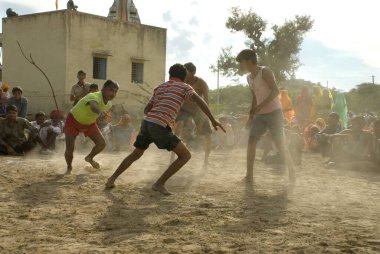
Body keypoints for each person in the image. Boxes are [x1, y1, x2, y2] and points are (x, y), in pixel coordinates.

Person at [105, 64, 225, 195]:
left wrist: (164, 110)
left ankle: (111, 179)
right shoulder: (185, 87)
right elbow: (199, 100)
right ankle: (159, 183)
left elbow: (146, 110)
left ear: (169, 75)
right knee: (185, 155)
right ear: (184, 77)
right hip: (159, 125)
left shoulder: (160, 87)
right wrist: (212, 119)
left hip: (146, 123)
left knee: (136, 154)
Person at [236, 49, 295, 183]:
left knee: (279, 144)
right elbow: (255, 96)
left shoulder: (265, 71)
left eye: (241, 62)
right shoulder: (248, 78)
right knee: (251, 142)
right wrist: (251, 115)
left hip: (274, 112)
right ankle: (249, 176)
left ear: (249, 61)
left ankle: (292, 172)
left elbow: (275, 91)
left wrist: (260, 106)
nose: (240, 66)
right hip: (260, 115)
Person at [64, 80, 119, 174]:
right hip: (73, 120)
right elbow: (93, 106)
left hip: (90, 123)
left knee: (101, 144)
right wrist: (100, 112)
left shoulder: (109, 103)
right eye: (111, 90)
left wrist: (105, 118)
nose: (113, 93)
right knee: (70, 149)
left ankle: (89, 158)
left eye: (115, 91)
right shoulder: (94, 96)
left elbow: (102, 115)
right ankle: (69, 168)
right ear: (103, 89)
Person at [172, 62, 213, 167]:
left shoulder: (202, 83)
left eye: (187, 72)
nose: (184, 74)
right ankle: (172, 155)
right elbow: (177, 97)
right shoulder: (182, 81)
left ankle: (206, 160)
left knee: (208, 135)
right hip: (184, 108)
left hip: (198, 110)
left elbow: (206, 100)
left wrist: (206, 115)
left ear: (193, 73)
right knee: (179, 127)